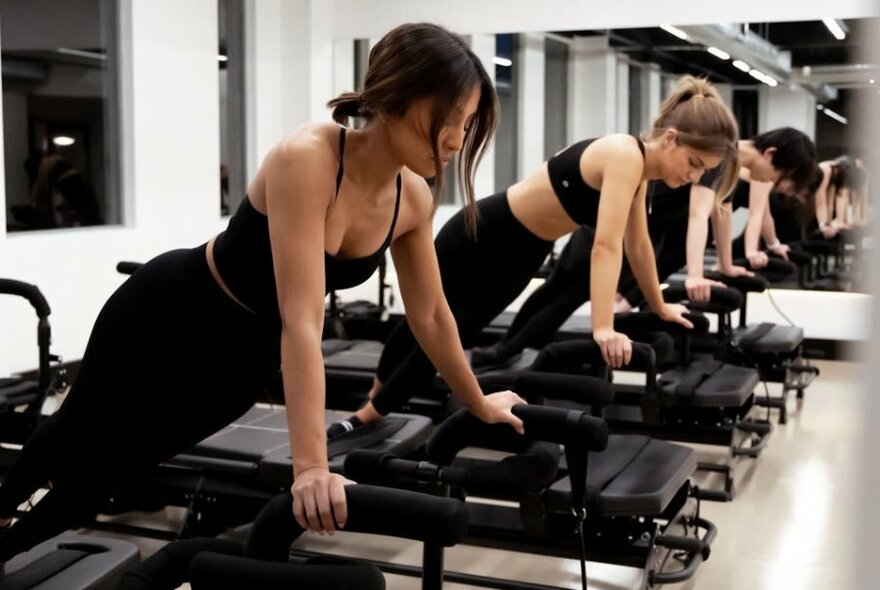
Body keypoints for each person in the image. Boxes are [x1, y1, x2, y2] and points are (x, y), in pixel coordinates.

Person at [0, 22, 526, 562]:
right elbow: (302, 320)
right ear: (400, 96)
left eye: (467, 124)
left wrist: (477, 400)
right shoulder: (310, 157)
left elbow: (432, 315)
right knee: (72, 431)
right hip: (171, 312)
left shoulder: (411, 199)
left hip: (241, 362)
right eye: (454, 120)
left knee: (112, 468)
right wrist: (311, 468)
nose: (459, 140)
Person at [328, 75, 739, 438]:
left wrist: (660, 304)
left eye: (703, 171)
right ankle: (371, 405)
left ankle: (371, 413)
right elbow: (607, 246)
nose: (694, 177)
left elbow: (639, 246)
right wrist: (603, 327)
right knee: (422, 318)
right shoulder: (624, 155)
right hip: (484, 230)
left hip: (521, 255)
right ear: (670, 139)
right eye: (694, 163)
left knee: (456, 332)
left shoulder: (638, 176)